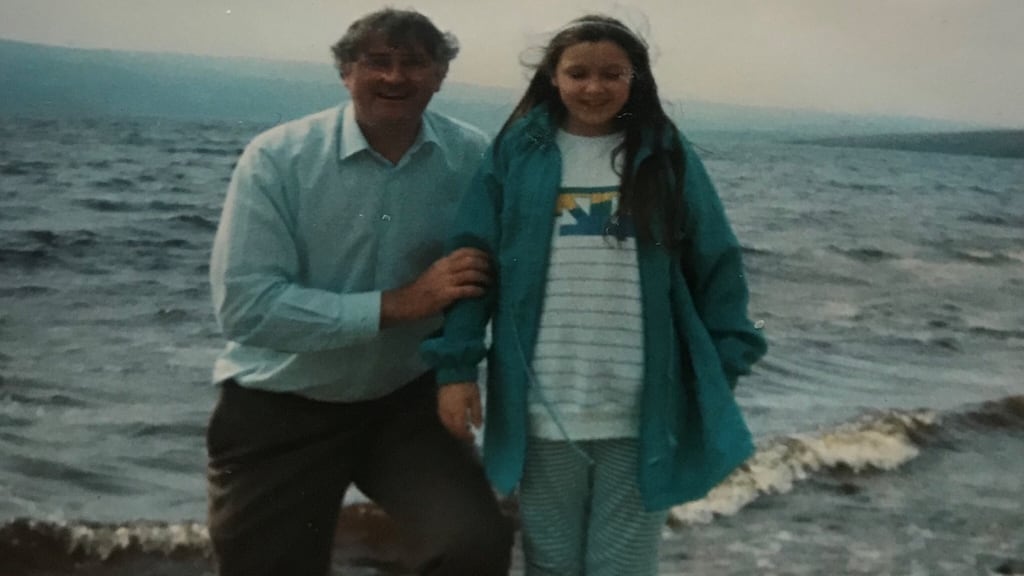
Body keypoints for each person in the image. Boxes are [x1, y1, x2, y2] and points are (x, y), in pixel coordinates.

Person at [422, 14, 767, 576]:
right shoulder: (519, 150)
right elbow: (472, 262)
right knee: (551, 562)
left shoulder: (665, 154)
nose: (594, 87)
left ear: (636, 79)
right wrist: (456, 367)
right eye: (577, 73)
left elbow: (717, 262)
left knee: (622, 564)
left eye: (612, 74)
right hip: (541, 403)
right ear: (552, 77)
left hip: (641, 407)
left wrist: (722, 364)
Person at [206, 8, 512, 576]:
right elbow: (246, 309)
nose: (395, 77)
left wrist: (464, 369)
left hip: (406, 406)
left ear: (440, 74)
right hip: (281, 405)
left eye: (414, 62)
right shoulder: (277, 159)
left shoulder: (474, 157)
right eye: (377, 62)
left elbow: (491, 274)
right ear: (345, 72)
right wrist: (400, 304)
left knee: (471, 546)